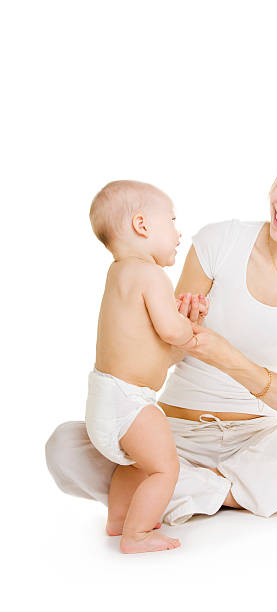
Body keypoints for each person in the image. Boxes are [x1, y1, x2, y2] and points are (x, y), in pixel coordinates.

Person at [46, 133, 277, 529]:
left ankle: (206, 490)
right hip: (170, 436)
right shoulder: (220, 242)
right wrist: (185, 332)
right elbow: (165, 350)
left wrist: (224, 355)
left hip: (257, 441)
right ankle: (249, 492)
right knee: (63, 449)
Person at [83, 180, 208, 553]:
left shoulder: (118, 273)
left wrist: (180, 321)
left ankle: (119, 519)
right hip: (131, 403)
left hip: (105, 399)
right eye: (171, 220)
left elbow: (155, 343)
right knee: (164, 467)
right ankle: (135, 535)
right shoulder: (151, 274)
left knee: (137, 463)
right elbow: (172, 332)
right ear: (142, 225)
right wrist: (191, 321)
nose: (178, 231)